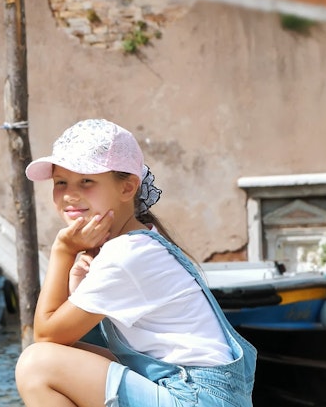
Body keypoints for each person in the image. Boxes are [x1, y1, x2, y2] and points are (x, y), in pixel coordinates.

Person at [14, 119, 256, 406]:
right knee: (69, 355)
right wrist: (78, 285)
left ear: (127, 187)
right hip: (194, 390)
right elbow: (67, 340)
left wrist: (63, 251)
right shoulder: (139, 243)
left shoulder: (126, 255)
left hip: (195, 397)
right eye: (60, 182)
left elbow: (46, 336)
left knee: (36, 365)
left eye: (86, 181)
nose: (69, 195)